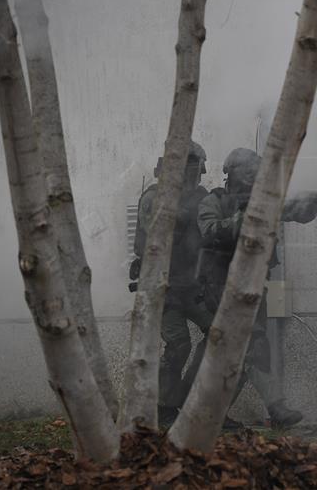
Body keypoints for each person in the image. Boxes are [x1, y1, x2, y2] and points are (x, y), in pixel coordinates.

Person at [192, 147, 317, 428]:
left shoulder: (264, 203)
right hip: (220, 285)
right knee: (250, 344)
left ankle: (213, 414)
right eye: (248, 171)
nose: (254, 176)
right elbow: (210, 232)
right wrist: (250, 218)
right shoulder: (214, 201)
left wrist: (314, 204)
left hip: (253, 284)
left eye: (257, 171)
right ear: (233, 173)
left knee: (244, 350)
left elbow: (294, 212)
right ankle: (271, 409)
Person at [129, 141, 213, 427]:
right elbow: (154, 236)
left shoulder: (201, 197)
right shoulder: (154, 197)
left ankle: (189, 397)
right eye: (194, 170)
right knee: (178, 345)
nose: (198, 176)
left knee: (219, 335)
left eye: (199, 171)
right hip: (162, 288)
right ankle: (164, 407)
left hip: (192, 286)